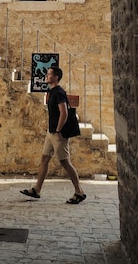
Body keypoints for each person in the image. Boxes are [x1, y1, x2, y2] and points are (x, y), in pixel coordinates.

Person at [20, 66, 87, 204]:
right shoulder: (53, 92)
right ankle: (37, 190)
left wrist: (58, 130)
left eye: (49, 74)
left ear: (56, 77)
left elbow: (64, 113)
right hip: (51, 133)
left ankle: (79, 192)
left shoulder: (59, 93)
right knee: (44, 159)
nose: (47, 75)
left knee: (65, 162)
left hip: (57, 134)